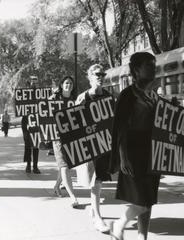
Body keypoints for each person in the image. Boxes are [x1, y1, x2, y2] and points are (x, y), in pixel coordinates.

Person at [109, 52, 161, 240]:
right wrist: (123, 156)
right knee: (142, 200)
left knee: (149, 199)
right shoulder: (127, 95)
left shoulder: (154, 94)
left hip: (152, 151)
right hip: (133, 151)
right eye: (149, 65)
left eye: (154, 65)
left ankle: (142, 237)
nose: (153, 68)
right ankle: (119, 224)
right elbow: (120, 128)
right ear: (137, 70)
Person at [75, 64, 111, 233]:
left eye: (102, 74)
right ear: (89, 77)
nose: (100, 77)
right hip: (89, 146)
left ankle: (93, 209)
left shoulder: (109, 96)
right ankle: (97, 216)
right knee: (95, 180)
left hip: (104, 145)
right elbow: (73, 124)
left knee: (99, 179)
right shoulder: (83, 97)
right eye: (97, 74)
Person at [51, 76, 79, 208]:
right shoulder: (54, 99)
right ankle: (73, 196)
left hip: (71, 136)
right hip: (57, 137)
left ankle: (57, 186)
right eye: (66, 82)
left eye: (71, 83)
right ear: (62, 85)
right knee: (64, 166)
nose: (69, 85)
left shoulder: (75, 100)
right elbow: (43, 113)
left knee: (66, 165)